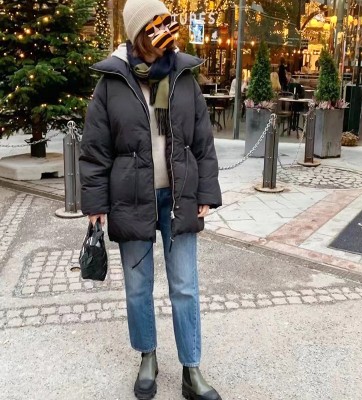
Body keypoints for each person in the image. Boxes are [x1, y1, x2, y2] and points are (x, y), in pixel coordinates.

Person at [79, 1, 222, 399]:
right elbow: (95, 149)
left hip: (178, 196)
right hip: (130, 197)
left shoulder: (179, 75)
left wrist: (206, 192)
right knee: (138, 287)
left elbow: (201, 140)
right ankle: (148, 357)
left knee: (185, 286)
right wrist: (95, 204)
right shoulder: (112, 82)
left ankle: (191, 369)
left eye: (167, 24)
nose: (166, 33)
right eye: (157, 26)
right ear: (140, 33)